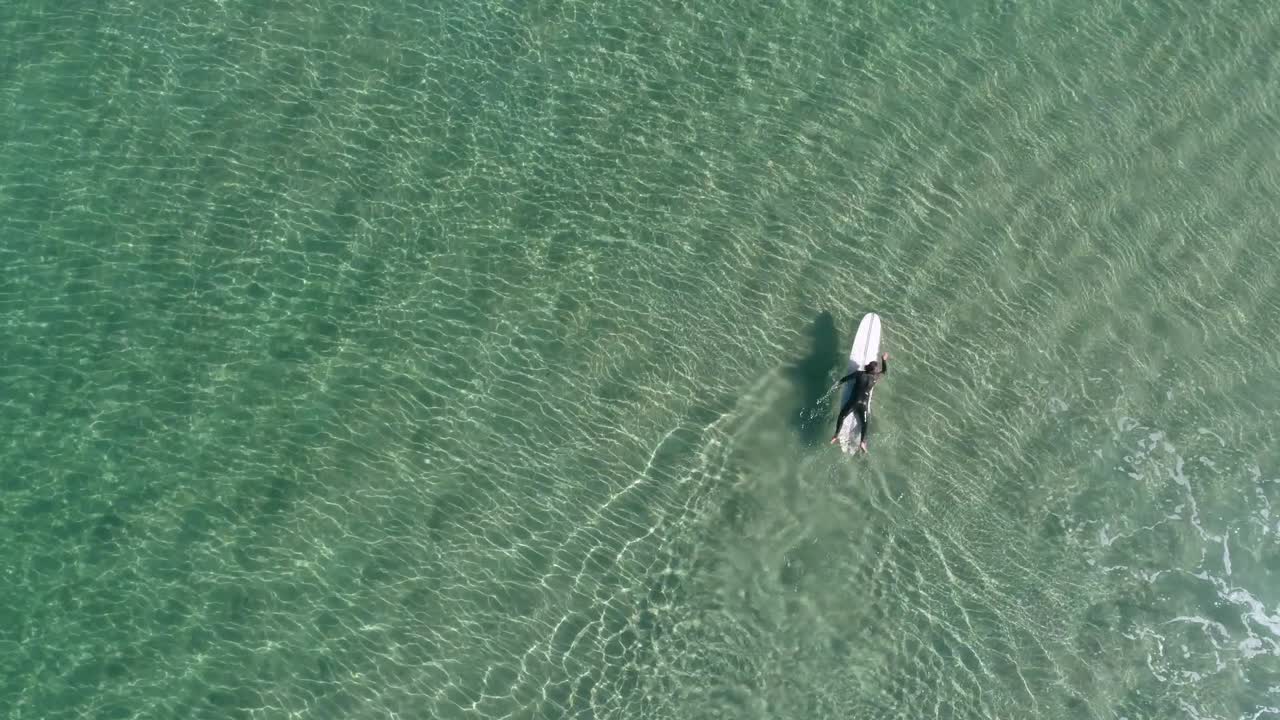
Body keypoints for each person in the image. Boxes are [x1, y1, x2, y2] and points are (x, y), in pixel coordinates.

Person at [830, 352, 889, 453]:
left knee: (842, 416)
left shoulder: (859, 373)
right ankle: (862, 442)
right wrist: (883, 360)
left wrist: (837, 384)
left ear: (867, 367)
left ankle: (835, 436)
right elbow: (884, 371)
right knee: (864, 423)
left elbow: (845, 379)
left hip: (854, 401)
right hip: (864, 404)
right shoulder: (875, 377)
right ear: (874, 371)